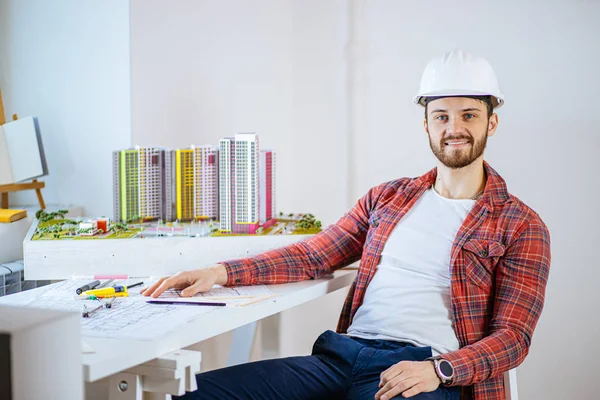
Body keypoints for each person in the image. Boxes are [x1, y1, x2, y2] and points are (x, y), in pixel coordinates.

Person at [142, 50, 551, 400]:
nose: (454, 128)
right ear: (425, 124)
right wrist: (220, 272)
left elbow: (513, 337)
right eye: (441, 116)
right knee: (192, 394)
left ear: (491, 123)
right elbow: (314, 254)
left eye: (469, 115)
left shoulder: (521, 225)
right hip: (341, 357)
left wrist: (440, 370)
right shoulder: (387, 198)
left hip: (423, 371)